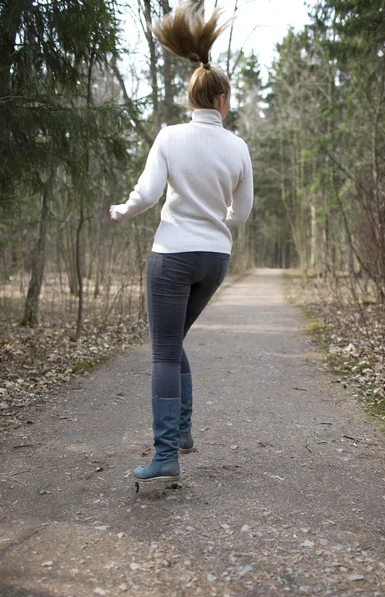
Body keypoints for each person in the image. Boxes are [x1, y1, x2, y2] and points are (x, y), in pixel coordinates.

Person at [109, 1, 254, 483]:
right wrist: (221, 217)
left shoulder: (170, 137)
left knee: (166, 350)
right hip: (214, 259)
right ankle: (183, 433)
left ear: (193, 97)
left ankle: (166, 453)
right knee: (174, 342)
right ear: (222, 99)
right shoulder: (238, 147)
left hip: (172, 256)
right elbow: (243, 212)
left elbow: (149, 194)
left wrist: (123, 209)